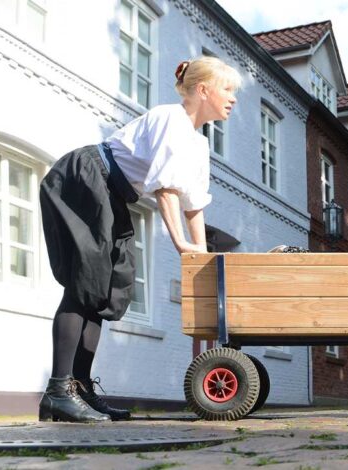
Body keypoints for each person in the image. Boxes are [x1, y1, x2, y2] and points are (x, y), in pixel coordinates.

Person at [38, 56, 241, 422]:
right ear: (203, 89)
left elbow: (193, 205)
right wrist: (181, 245)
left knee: (105, 290)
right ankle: (58, 391)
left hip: (113, 193)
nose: (233, 99)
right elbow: (166, 190)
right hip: (84, 177)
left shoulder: (198, 145)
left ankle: (79, 391)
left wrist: (202, 257)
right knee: (84, 283)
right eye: (228, 89)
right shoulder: (169, 119)